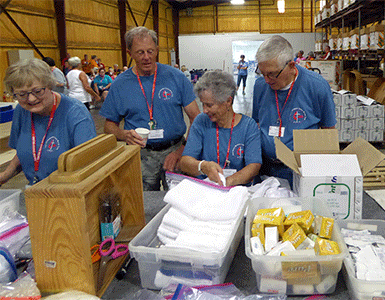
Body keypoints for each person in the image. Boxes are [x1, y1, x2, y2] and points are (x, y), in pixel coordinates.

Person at [100, 26, 200, 191]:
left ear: (157, 50)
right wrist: (124, 135)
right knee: (143, 206)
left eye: (150, 51)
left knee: (179, 203)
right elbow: (109, 127)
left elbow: (196, 117)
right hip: (140, 156)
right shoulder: (120, 85)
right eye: (140, 52)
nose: (146, 57)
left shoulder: (176, 77)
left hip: (175, 151)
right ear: (129, 53)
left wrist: (182, 150)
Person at [252, 35, 337, 186]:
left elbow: (328, 132)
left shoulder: (317, 86)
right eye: (262, 73)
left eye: (272, 73)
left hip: (301, 171)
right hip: (265, 169)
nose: (266, 79)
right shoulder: (260, 86)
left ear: (291, 66)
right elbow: (257, 124)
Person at [0, 58, 96, 186]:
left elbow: (88, 164)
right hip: (36, 194)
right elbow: (28, 150)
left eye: (38, 91)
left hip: (68, 193)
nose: (31, 99)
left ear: (49, 85)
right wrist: (5, 175)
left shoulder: (75, 113)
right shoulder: (21, 111)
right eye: (22, 94)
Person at [180, 70, 261, 186]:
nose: (204, 110)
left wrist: (226, 183)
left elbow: (254, 166)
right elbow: (185, 162)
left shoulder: (248, 126)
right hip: (207, 190)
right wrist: (203, 166)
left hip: (236, 190)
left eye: (209, 105)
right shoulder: (201, 121)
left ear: (228, 101)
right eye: (202, 104)